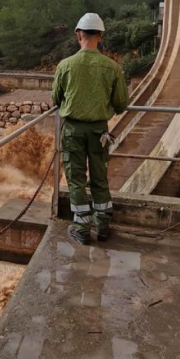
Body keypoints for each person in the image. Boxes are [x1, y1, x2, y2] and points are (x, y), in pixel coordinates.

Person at [52, 12, 129, 244]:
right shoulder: (112, 67)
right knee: (99, 177)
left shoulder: (66, 65)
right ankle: (103, 225)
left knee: (76, 179)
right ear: (100, 36)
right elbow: (121, 104)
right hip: (99, 131)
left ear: (78, 35)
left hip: (73, 130)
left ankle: (82, 228)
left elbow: (56, 98)